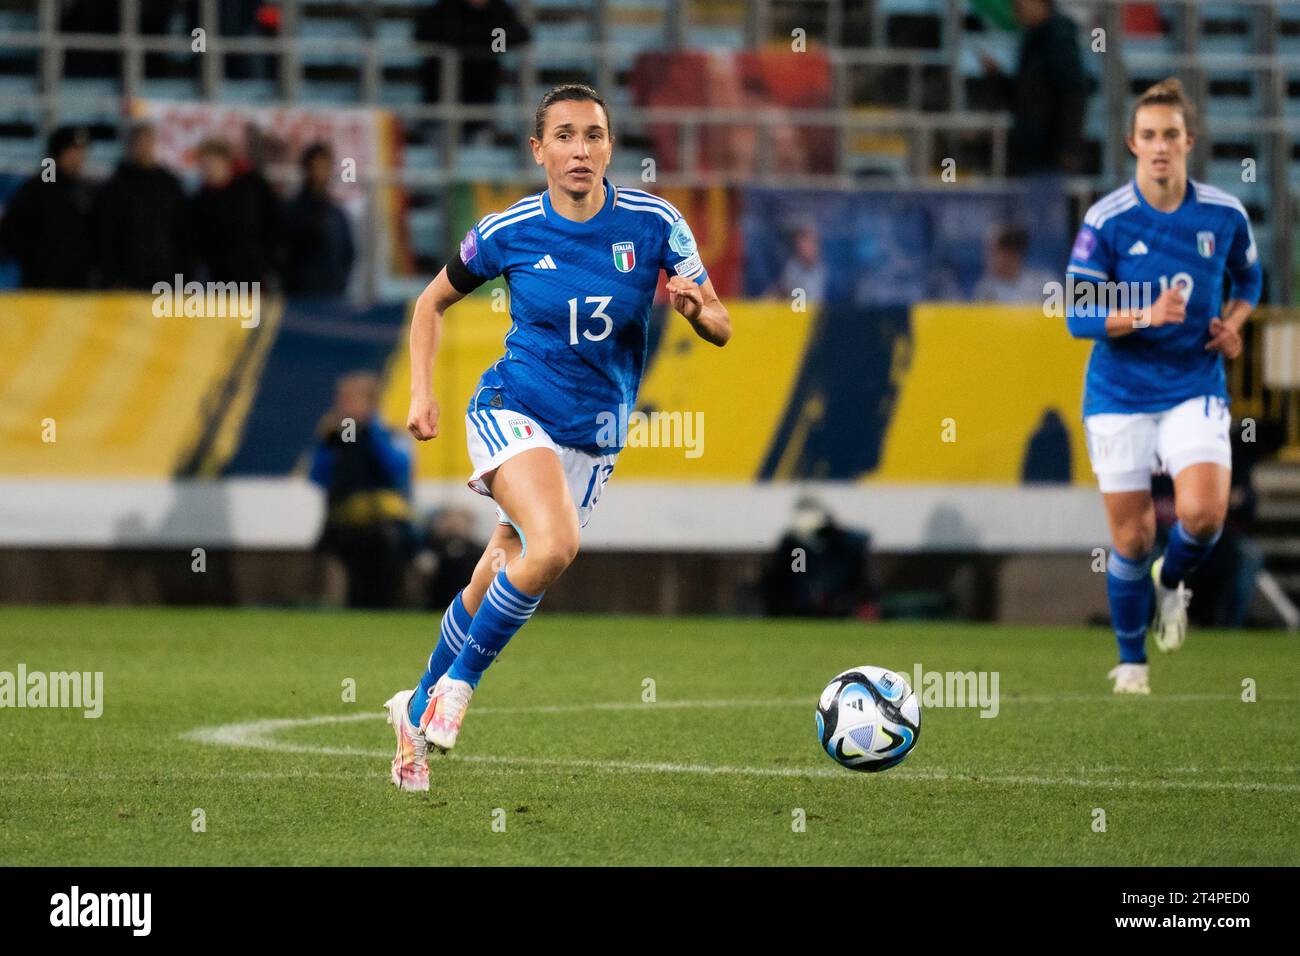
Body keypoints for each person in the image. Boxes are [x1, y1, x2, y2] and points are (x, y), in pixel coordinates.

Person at [384, 83, 732, 791]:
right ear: (538, 150)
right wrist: (422, 391)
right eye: (566, 136)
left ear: (611, 146)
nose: (582, 150)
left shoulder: (655, 221)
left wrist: (699, 312)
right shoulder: (509, 230)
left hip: (594, 434)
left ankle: (413, 709)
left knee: (503, 568)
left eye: (595, 135)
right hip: (513, 407)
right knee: (556, 546)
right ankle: (459, 689)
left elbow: (721, 323)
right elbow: (431, 302)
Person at [1065, 78, 1262, 694]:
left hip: (1193, 386)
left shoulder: (1224, 214)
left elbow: (1250, 282)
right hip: (1119, 393)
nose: (1159, 147)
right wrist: (1145, 315)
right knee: (1133, 536)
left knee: (1204, 516)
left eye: (1170, 136)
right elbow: (1077, 314)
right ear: (1131, 143)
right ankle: (1131, 663)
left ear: (1189, 142)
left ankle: (1173, 583)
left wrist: (1231, 326)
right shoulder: (1108, 220)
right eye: (1148, 135)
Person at [309, 372, 414, 610]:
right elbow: (318, 476)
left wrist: (371, 429)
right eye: (342, 400)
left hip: (386, 525)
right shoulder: (336, 437)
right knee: (353, 591)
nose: (343, 406)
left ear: (371, 403)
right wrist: (328, 442)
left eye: (351, 400)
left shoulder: (389, 433)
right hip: (345, 526)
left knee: (385, 588)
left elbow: (397, 468)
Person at [980, 0, 1090, 176]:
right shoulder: (1031, 40)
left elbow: (1073, 95)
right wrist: (996, 77)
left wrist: (1068, 147)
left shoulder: (1060, 39)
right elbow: (1021, 99)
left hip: (1050, 152)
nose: (1017, 11)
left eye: (1020, 5)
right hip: (1029, 150)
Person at [0, 126, 97, 289]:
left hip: (79, 290)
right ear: (58, 153)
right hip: (40, 288)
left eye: (82, 152)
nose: (79, 158)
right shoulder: (35, 191)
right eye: (73, 151)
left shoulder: (86, 191)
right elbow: (12, 237)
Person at [97, 122, 188, 290]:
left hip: (166, 279)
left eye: (148, 142)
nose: (144, 148)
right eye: (139, 143)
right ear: (131, 147)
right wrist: (111, 278)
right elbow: (106, 235)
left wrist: (184, 279)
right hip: (126, 280)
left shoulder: (170, 185)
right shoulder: (115, 187)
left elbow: (183, 235)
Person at [188, 138, 280, 286]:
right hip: (218, 281)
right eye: (203, 165)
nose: (207, 169)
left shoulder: (252, 187)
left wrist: (267, 263)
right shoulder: (201, 200)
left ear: (225, 161)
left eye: (211, 163)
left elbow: (273, 224)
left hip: (255, 278)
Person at [281, 141, 355, 298]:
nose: (321, 173)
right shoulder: (292, 211)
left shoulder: (337, 214)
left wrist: (339, 283)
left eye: (325, 167)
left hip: (333, 295)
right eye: (316, 167)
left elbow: (348, 253)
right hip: (299, 297)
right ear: (307, 168)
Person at [971, 224, 1054, 303]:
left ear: (1011, 254)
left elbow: (1061, 313)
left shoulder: (1042, 282)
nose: (988, 258)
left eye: (993, 252)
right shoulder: (985, 290)